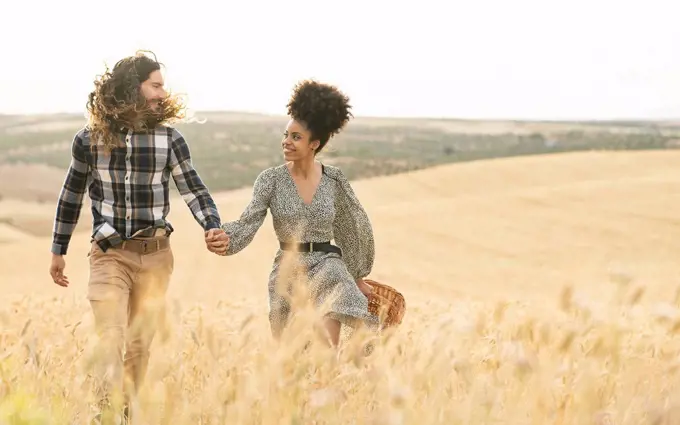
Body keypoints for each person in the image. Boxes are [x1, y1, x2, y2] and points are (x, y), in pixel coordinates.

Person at [48, 50, 228, 423]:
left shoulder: (170, 139)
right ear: (133, 88)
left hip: (156, 257)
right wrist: (58, 250)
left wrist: (211, 223)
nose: (162, 93)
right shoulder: (88, 140)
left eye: (163, 86)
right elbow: (71, 194)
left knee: (139, 347)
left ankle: (126, 414)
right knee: (109, 337)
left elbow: (193, 188)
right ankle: (103, 415)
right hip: (109, 254)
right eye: (155, 85)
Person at [207, 79, 378, 347]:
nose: (286, 142)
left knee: (326, 351)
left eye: (296, 137)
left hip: (328, 267)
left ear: (314, 144)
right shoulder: (270, 180)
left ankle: (329, 381)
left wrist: (358, 276)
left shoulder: (334, 181)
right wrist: (225, 238)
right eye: (286, 135)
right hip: (288, 267)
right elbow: (248, 221)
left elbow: (353, 226)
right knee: (290, 354)